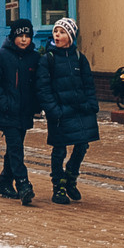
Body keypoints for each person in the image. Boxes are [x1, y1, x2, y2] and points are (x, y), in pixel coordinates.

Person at [40, 17, 99, 206]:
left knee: (82, 145)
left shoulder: (80, 58)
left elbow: (88, 84)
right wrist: (53, 110)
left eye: (62, 32)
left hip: (81, 110)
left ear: (71, 36)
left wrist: (91, 105)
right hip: (60, 112)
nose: (57, 35)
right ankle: (59, 186)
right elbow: (43, 88)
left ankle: (71, 177)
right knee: (59, 149)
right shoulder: (48, 59)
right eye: (56, 31)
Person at [0, 18, 43, 206]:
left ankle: (5, 182)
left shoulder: (34, 58)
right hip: (7, 112)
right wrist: (4, 103)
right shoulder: (1, 56)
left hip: (24, 112)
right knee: (16, 149)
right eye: (20, 36)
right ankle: (23, 184)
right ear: (13, 36)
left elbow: (38, 85)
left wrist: (36, 106)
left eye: (27, 36)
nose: (24, 40)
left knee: (13, 149)